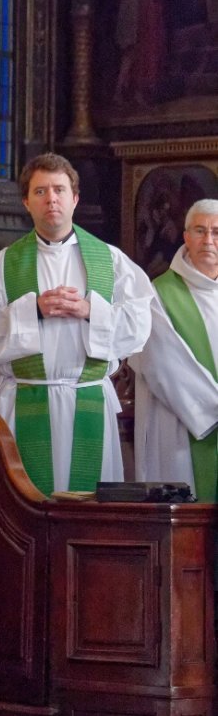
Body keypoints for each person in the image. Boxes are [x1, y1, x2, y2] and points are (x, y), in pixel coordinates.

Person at [0, 154, 154, 496]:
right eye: (40, 191)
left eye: (59, 190)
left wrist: (90, 309)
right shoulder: (5, 264)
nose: (51, 199)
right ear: (26, 201)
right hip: (24, 400)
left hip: (88, 396)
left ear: (75, 198)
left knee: (89, 513)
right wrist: (31, 309)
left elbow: (140, 323)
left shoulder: (109, 259)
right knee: (25, 509)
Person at [129, 199, 218, 500]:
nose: (209, 240)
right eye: (200, 230)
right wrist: (212, 409)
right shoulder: (159, 293)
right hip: (182, 427)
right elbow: (160, 362)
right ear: (185, 237)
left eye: (216, 232)